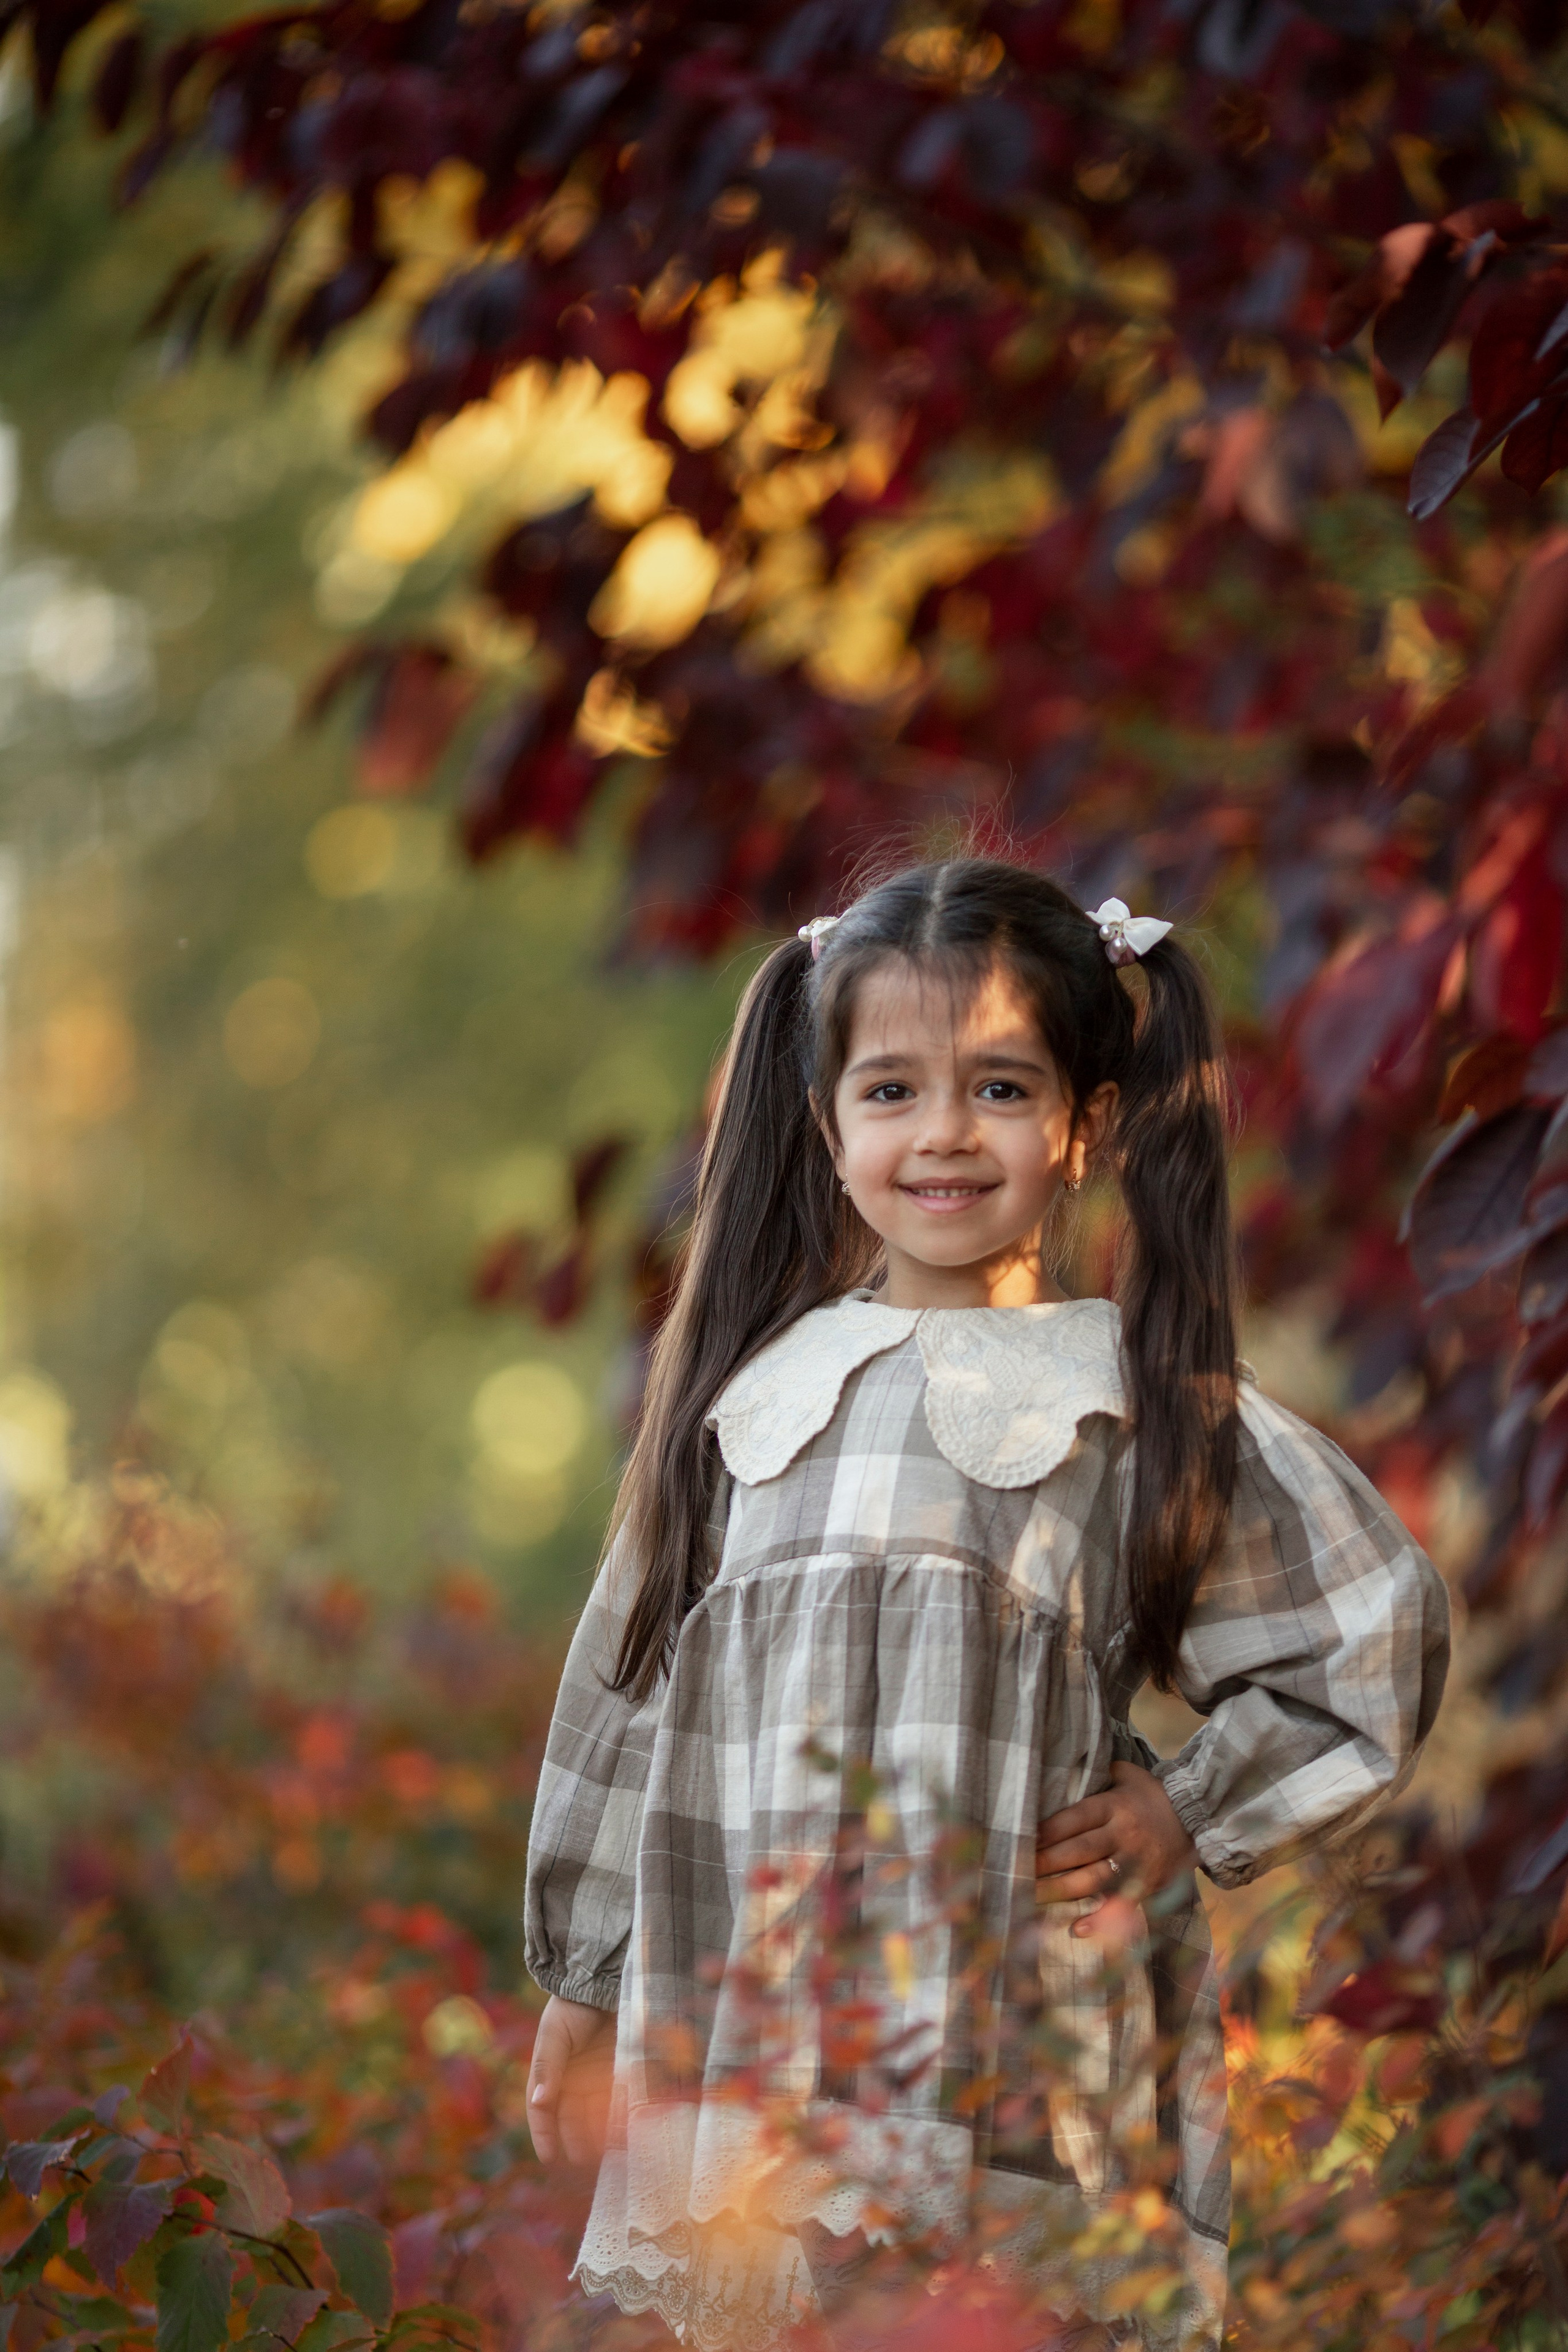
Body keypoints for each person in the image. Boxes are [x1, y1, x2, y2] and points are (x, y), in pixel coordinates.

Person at [522, 858, 1449, 2351]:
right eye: (889, 1091)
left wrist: (1186, 1812)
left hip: (1008, 2018)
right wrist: (583, 1972)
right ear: (826, 1127)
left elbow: (1367, 1632)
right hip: (759, 2022)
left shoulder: (1127, 1402)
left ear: (1083, 1122)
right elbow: (626, 1694)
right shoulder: (746, 1397)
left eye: (1001, 1090)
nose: (942, 1133)